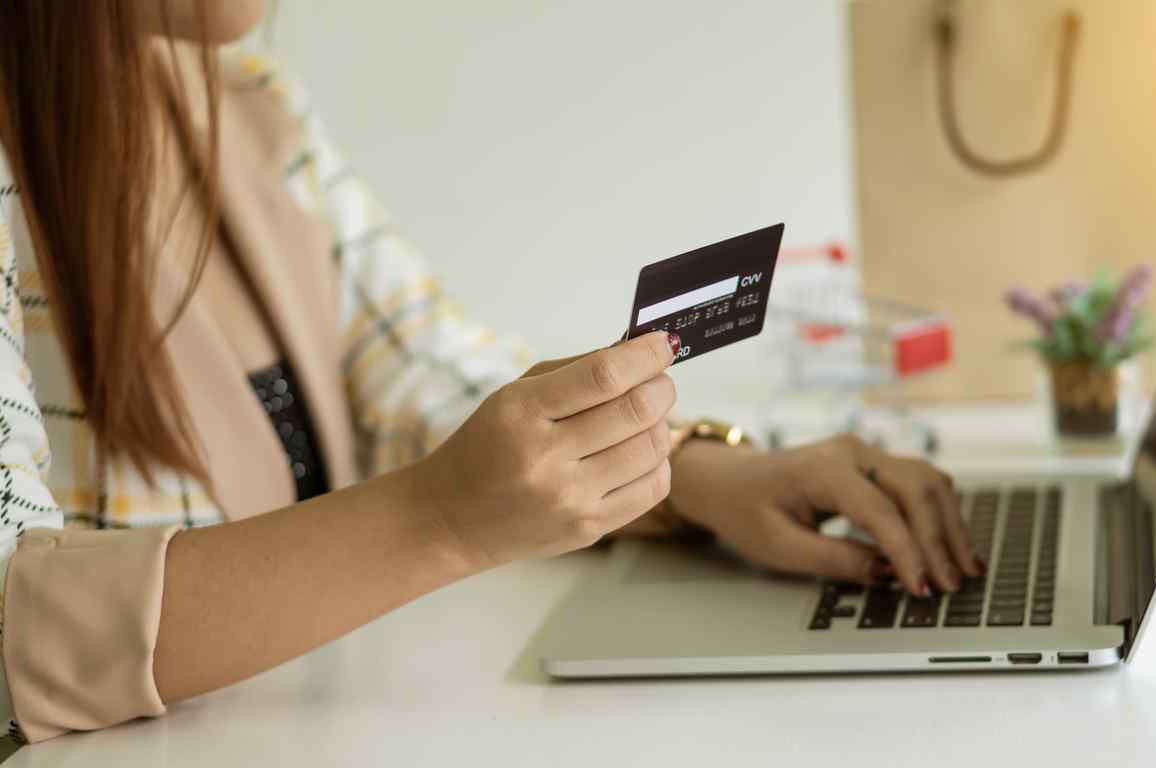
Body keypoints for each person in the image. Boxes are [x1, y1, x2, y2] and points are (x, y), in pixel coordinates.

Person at [0, 0, 981, 744]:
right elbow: (13, 621)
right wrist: (433, 522)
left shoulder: (251, 108)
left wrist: (709, 475)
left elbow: (424, 382)